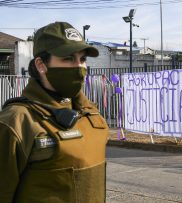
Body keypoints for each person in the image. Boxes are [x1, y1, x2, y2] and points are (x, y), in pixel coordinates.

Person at [0, 22, 109, 202]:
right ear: (41, 65)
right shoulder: (16, 122)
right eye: (68, 58)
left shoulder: (91, 113)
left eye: (82, 59)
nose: (79, 67)